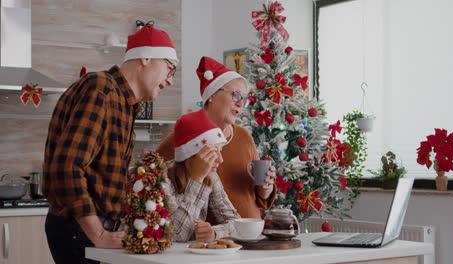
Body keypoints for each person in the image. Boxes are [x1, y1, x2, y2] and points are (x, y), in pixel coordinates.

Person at [42, 25, 178, 264]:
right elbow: (68, 167)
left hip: (85, 228)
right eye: (169, 68)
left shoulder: (123, 102)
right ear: (146, 57)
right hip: (80, 229)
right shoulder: (102, 89)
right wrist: (99, 234)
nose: (170, 80)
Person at [156, 56, 277, 224]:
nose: (240, 104)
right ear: (212, 95)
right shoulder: (182, 140)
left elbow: (259, 196)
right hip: (206, 242)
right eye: (235, 95)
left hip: (247, 236)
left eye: (244, 99)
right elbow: (150, 182)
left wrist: (266, 190)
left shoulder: (244, 137)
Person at [163, 109, 240, 242]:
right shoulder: (162, 178)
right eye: (212, 152)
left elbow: (238, 224)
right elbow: (174, 235)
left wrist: (215, 233)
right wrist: (196, 180)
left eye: (220, 150)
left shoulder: (211, 177)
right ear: (191, 154)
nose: (220, 160)